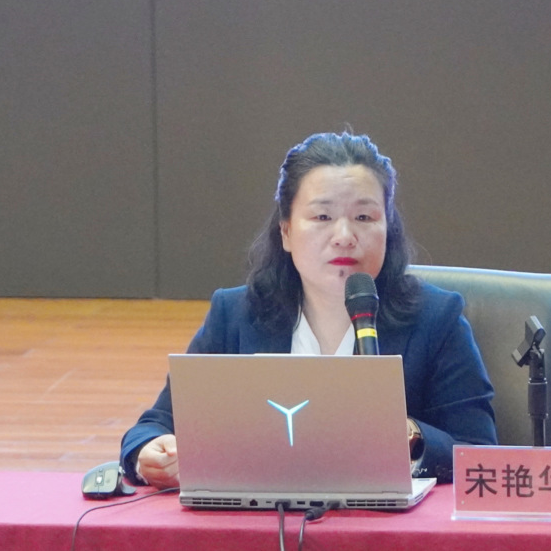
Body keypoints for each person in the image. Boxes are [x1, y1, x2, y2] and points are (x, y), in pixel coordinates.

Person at [120, 131, 496, 487]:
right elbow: (156, 426)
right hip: (259, 520)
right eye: (322, 217)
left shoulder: (436, 318)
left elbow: (480, 455)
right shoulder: (234, 315)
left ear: (388, 228)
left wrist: (411, 435)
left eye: (364, 217)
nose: (344, 237)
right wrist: (148, 453)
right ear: (286, 231)